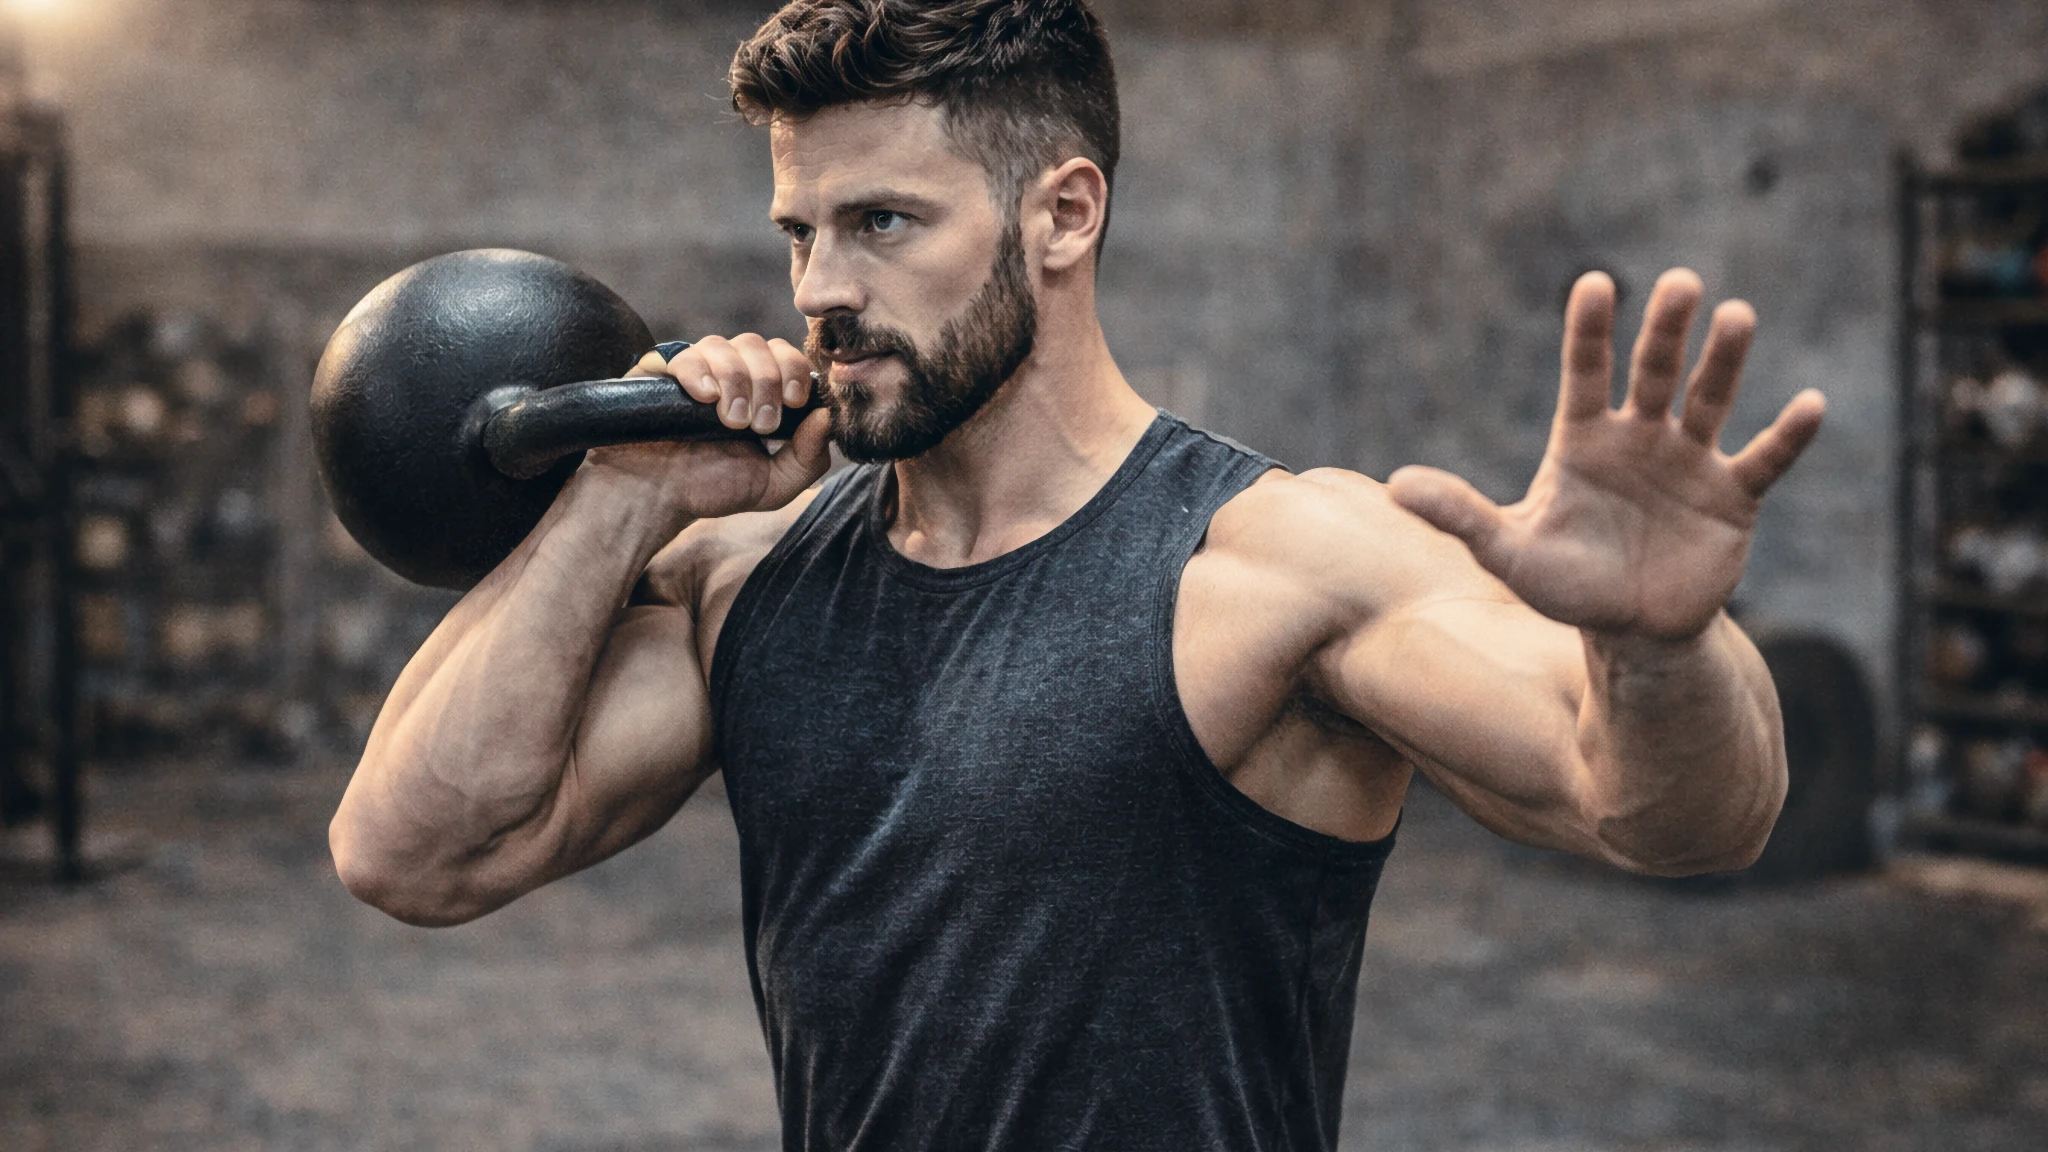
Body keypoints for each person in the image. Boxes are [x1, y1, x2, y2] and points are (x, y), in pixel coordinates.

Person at [328, 1, 1827, 1147]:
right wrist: (628, 493)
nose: (821, 290)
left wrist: (1656, 647)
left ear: (1063, 213)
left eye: (883, 223)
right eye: (800, 232)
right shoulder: (752, 579)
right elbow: (414, 853)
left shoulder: (1275, 563)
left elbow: (1672, 815)